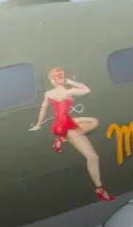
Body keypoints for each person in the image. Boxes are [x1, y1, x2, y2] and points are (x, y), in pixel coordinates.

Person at [31, 67, 112, 201]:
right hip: (66, 126)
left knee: (93, 122)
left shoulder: (48, 94)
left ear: (51, 81)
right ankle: (99, 188)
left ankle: (62, 139)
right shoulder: (69, 91)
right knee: (92, 157)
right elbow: (86, 90)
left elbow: (43, 109)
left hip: (59, 125)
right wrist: (71, 82)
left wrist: (38, 124)